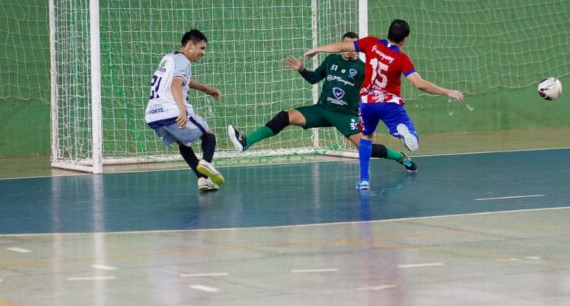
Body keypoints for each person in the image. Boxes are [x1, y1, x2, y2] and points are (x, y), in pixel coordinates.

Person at [304, 20, 464, 191]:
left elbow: (341, 47)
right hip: (389, 104)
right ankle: (402, 133)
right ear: (404, 39)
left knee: (366, 138)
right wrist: (447, 91)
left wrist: (317, 49)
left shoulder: (371, 43)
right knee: (414, 143)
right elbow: (420, 84)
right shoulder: (402, 59)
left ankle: (364, 180)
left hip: (367, 103)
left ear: (388, 32)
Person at [226, 32, 417, 172]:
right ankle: (246, 142)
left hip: (346, 115)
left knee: (365, 148)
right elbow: (314, 79)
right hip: (322, 109)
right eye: (346, 45)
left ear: (356, 48)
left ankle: (400, 157)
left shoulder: (363, 68)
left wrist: (391, 99)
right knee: (285, 116)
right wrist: (302, 69)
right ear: (342, 46)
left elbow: (376, 87)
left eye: (353, 46)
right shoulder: (331, 60)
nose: (349, 49)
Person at [145, 29, 226, 193]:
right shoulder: (184, 61)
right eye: (202, 48)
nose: (203, 53)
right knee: (208, 134)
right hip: (172, 110)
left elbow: (185, 81)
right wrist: (182, 110)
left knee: (183, 143)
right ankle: (206, 163)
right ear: (190, 45)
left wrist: (207, 89)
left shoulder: (168, 59)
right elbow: (176, 84)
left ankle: (202, 179)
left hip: (153, 115)